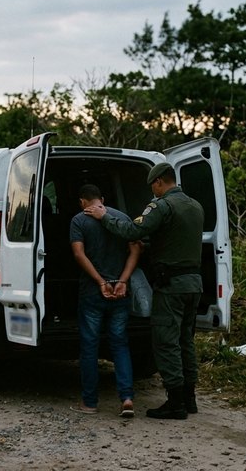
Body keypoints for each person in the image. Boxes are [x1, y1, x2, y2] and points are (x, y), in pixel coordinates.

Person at [83, 162, 204, 420]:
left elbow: (132, 230)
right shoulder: (195, 205)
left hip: (171, 286)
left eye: (153, 186)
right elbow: (173, 240)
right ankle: (189, 398)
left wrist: (104, 216)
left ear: (159, 181)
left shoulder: (162, 206)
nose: (153, 191)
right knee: (185, 341)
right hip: (194, 284)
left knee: (166, 342)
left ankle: (175, 403)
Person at [69, 184, 141, 418]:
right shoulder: (122, 217)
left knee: (89, 346)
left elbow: (79, 254)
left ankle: (90, 403)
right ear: (102, 198)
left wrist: (101, 281)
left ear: (82, 201)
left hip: (93, 292)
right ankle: (127, 398)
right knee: (120, 344)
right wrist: (123, 280)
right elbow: (135, 250)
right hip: (119, 291)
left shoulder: (78, 221)